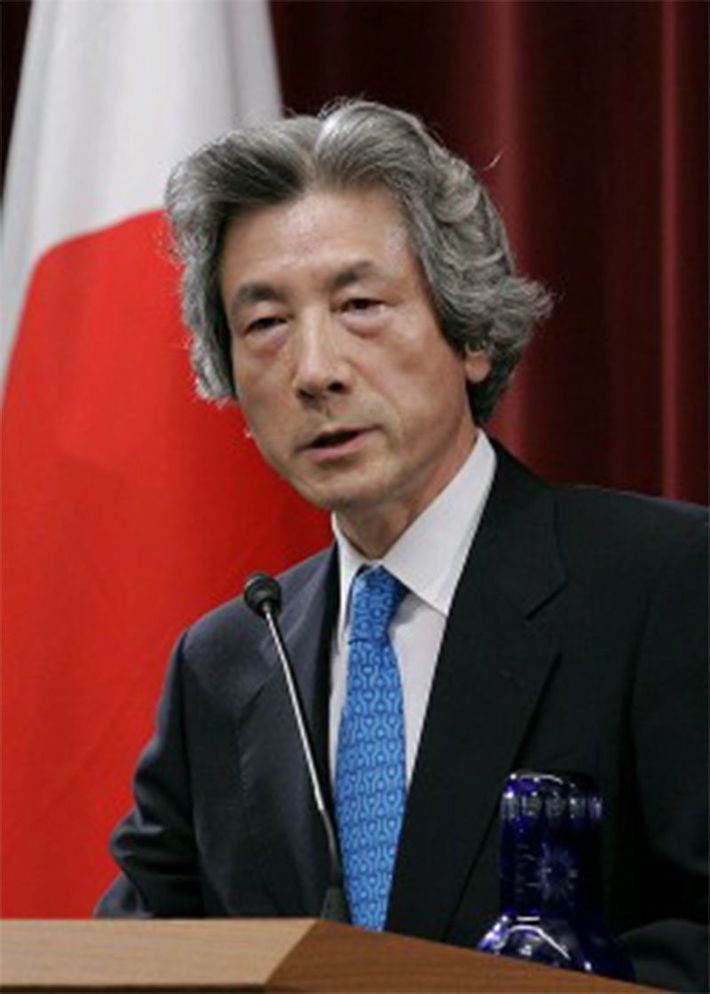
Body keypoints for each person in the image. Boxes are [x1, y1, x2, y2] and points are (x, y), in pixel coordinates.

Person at [96, 100, 708, 992]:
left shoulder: (662, 584)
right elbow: (130, 963)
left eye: (360, 305)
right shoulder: (223, 666)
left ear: (470, 332)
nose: (315, 371)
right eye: (265, 324)